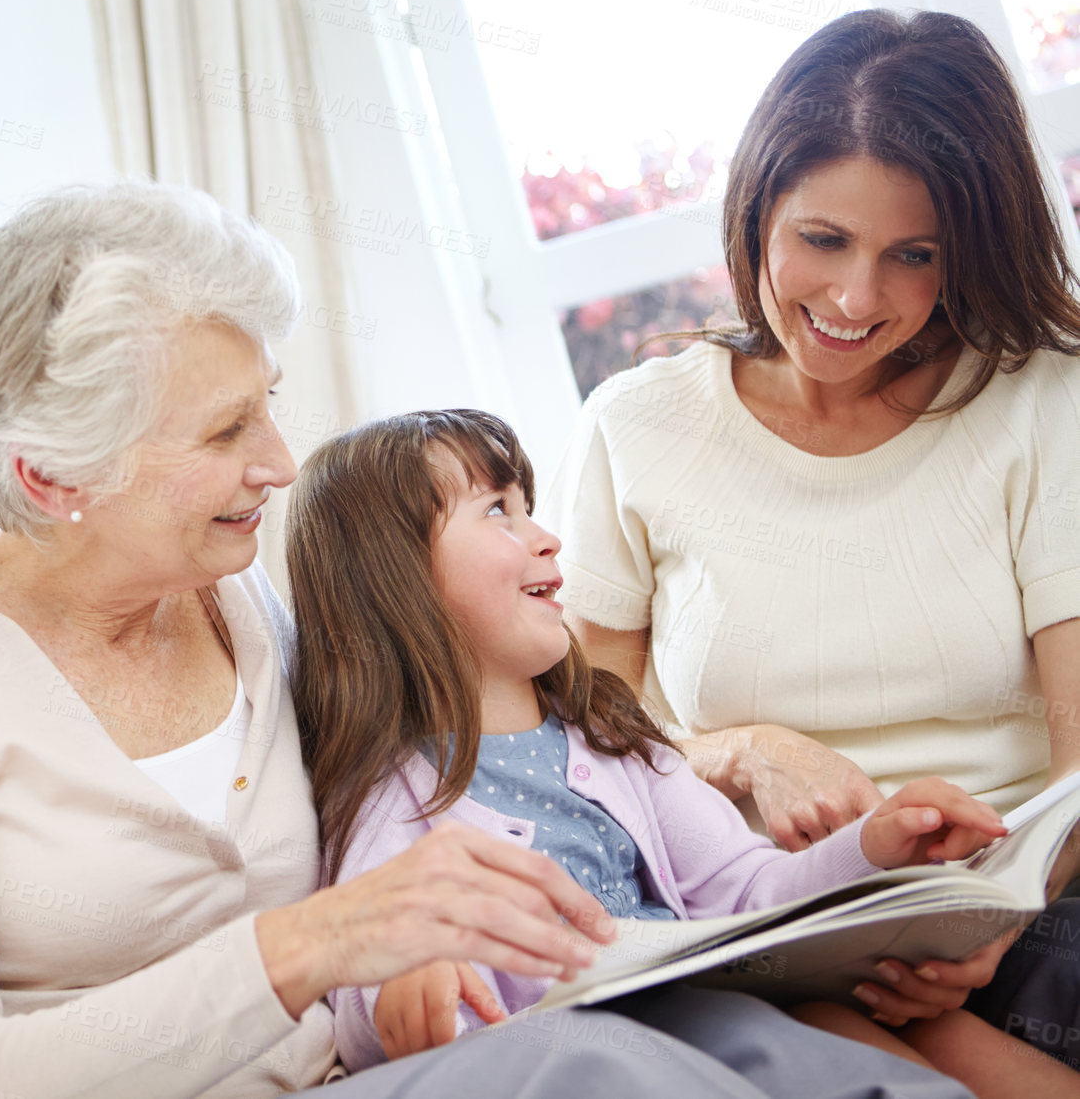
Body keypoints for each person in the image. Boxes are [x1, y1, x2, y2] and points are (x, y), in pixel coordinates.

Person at [0, 181, 825, 1099]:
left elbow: (466, 745)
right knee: (602, 1066)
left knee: (736, 1035)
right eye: (223, 430)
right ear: (53, 478)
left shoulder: (241, 609)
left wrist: (729, 754)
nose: (280, 463)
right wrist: (312, 943)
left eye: (266, 407)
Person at [538, 8, 1080, 1070]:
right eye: (822, 239)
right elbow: (584, 742)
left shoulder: (1039, 402)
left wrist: (993, 921)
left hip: (1029, 884)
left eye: (912, 255)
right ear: (755, 213)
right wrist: (745, 749)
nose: (854, 297)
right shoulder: (636, 425)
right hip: (770, 908)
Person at [285, 406, 1042, 1097]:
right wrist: (399, 990)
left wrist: (872, 847)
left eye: (528, 507)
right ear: (395, 579)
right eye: (496, 512)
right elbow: (363, 974)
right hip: (565, 1063)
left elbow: (750, 897)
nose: (544, 536)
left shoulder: (613, 741)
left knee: (823, 1046)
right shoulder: (388, 796)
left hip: (689, 1014)